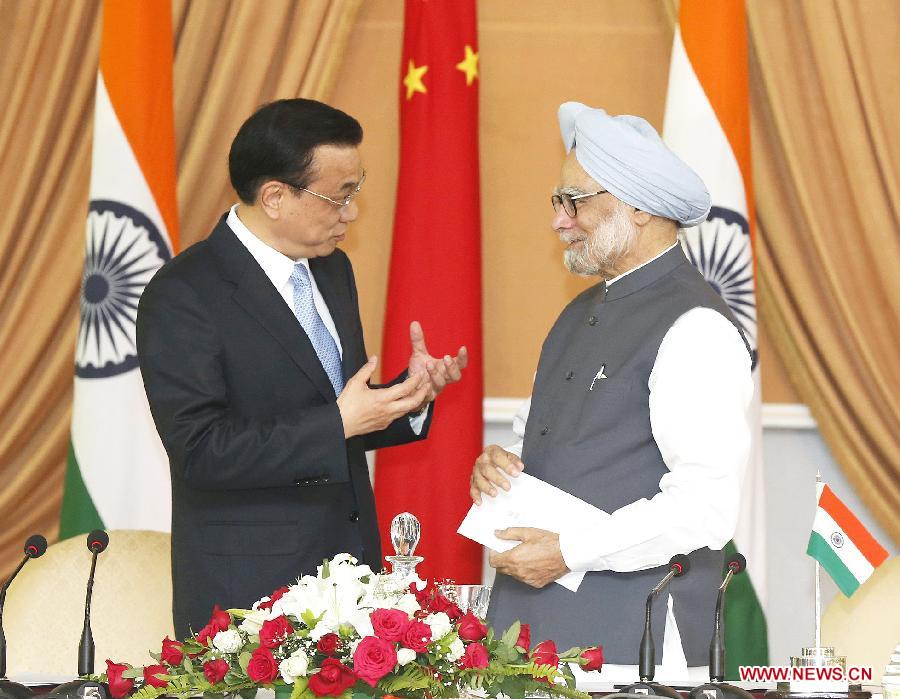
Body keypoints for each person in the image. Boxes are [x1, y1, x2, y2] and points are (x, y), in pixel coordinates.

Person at [137, 98, 467, 637]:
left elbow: (334, 407)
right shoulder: (183, 293)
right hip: (249, 601)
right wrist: (338, 422)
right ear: (274, 196)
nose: (352, 212)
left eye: (356, 190)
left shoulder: (333, 269)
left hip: (351, 580)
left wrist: (406, 398)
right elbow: (201, 451)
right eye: (340, 196)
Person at [470, 103, 753, 678]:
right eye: (557, 201)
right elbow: (553, 450)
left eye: (574, 201)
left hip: (633, 641)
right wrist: (501, 467)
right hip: (532, 633)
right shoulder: (577, 313)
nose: (559, 220)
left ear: (639, 207)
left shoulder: (696, 326)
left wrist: (568, 551)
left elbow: (704, 508)